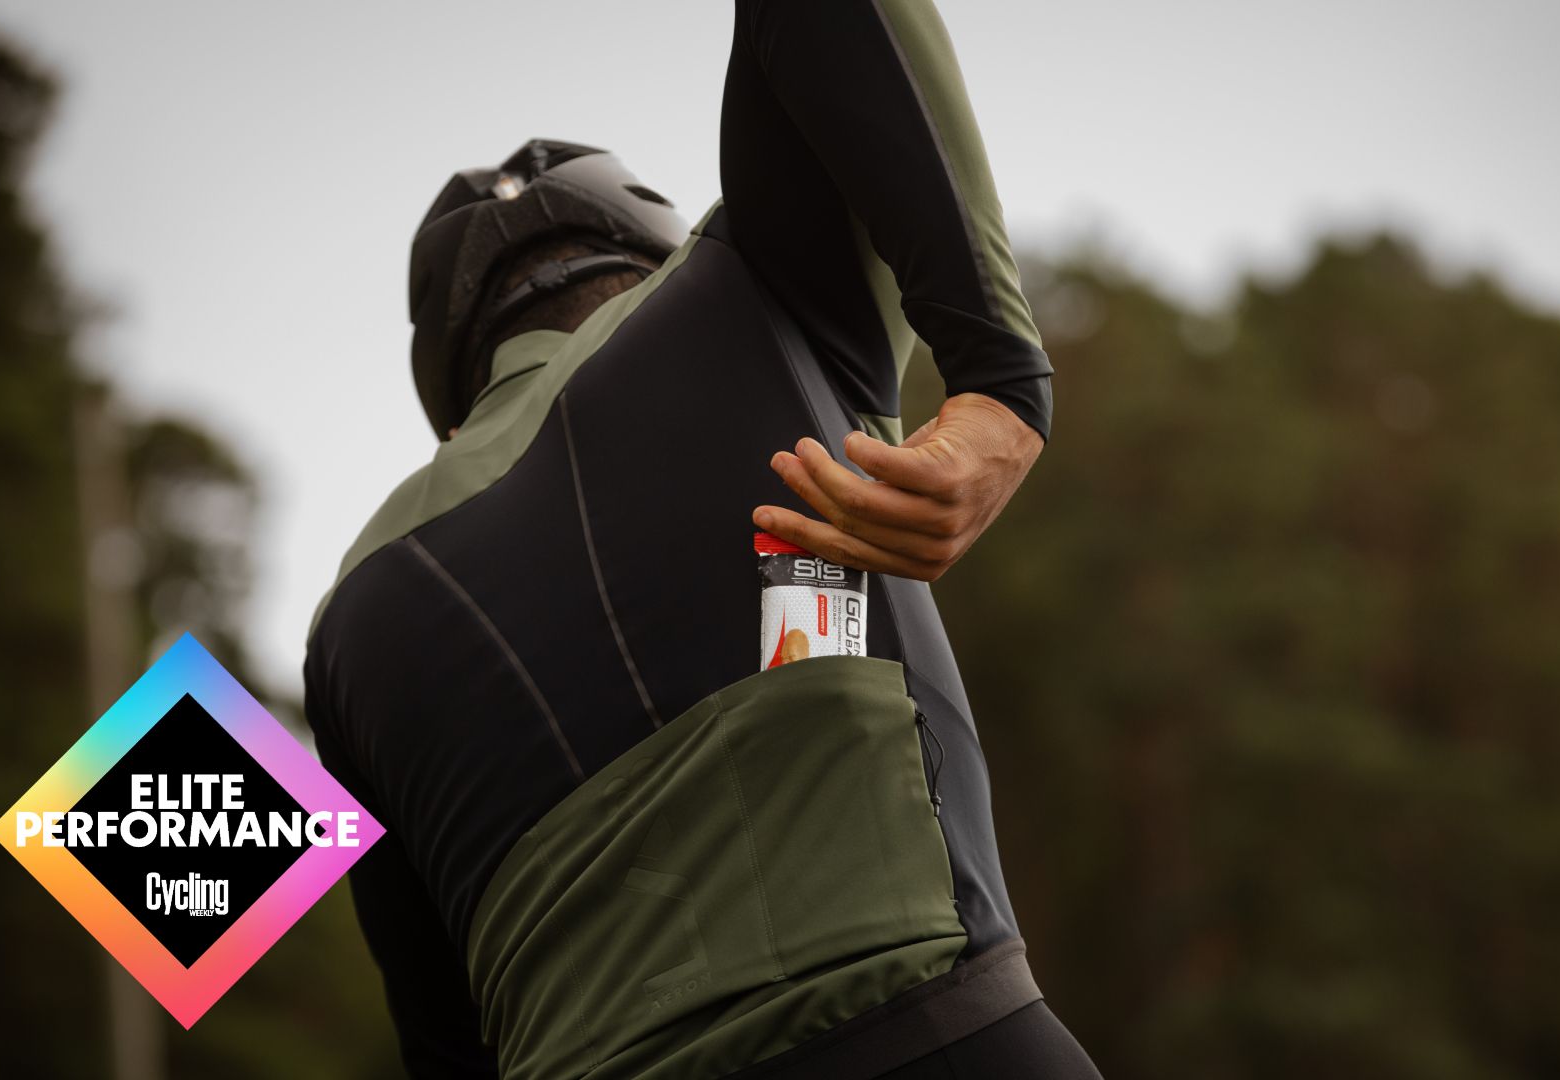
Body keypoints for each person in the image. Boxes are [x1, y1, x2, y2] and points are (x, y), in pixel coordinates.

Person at [304, 1, 1099, 1076]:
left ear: (451, 403)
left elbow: (429, 1041)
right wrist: (1004, 385)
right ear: (647, 259)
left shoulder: (340, 622)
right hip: (946, 1037)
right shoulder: (752, 295)